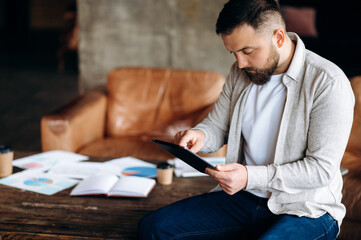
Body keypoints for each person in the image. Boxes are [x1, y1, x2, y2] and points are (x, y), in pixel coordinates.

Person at [138, 0, 355, 239]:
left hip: (305, 209)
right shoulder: (239, 73)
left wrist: (249, 176)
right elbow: (218, 126)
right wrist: (200, 135)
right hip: (245, 198)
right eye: (233, 52)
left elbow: (320, 170)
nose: (240, 63)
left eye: (248, 51)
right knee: (153, 228)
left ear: (279, 38)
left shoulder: (328, 82)